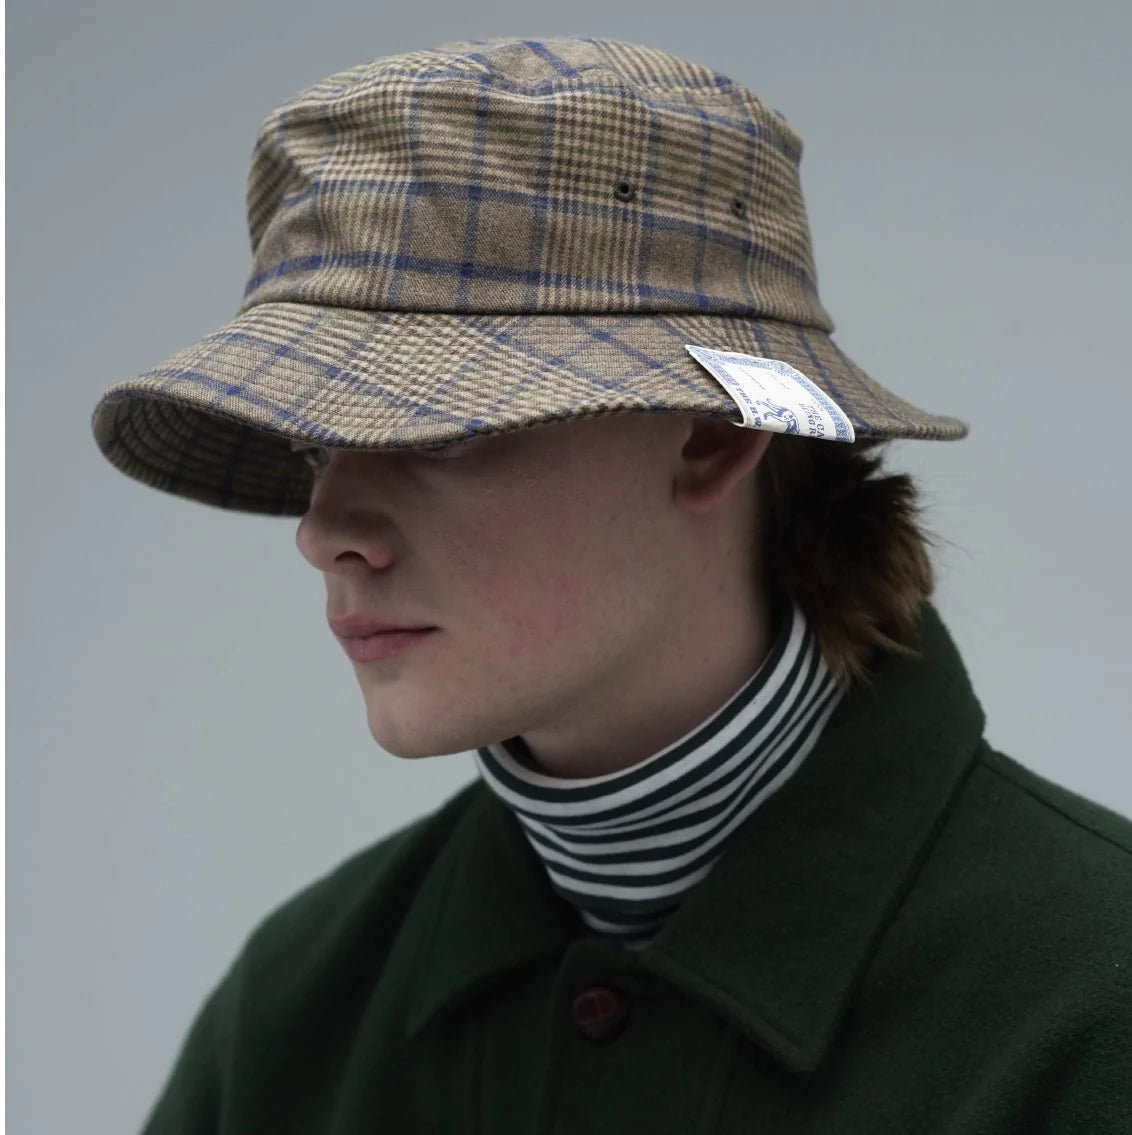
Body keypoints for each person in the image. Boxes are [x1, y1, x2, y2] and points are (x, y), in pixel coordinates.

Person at [90, 35, 1131, 1134]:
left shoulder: (1088, 1010)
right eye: (314, 445)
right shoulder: (296, 1013)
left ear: (711, 435)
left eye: (435, 429)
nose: (323, 532)